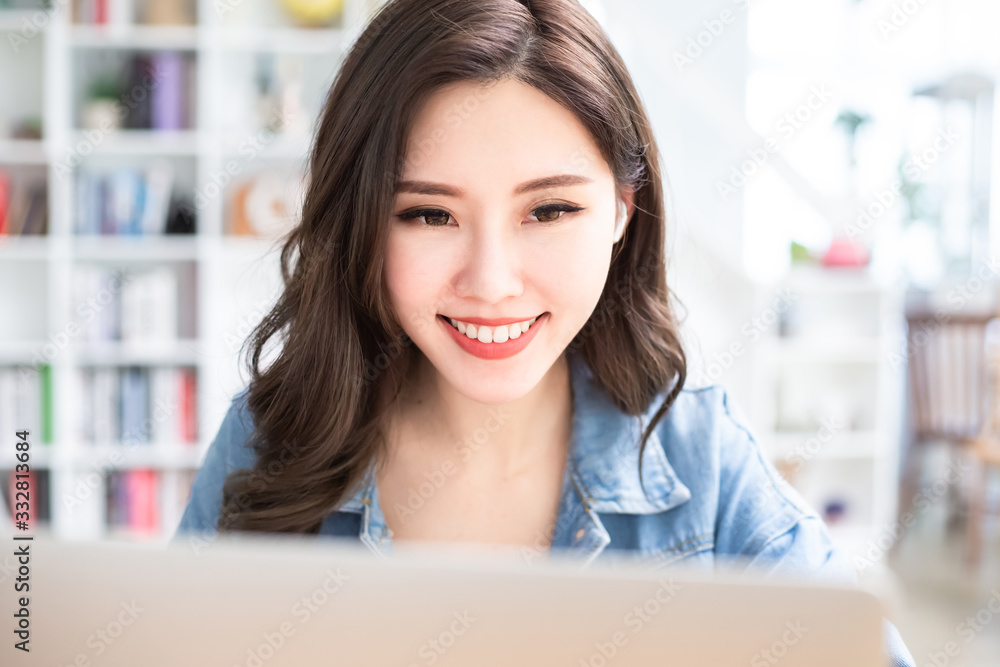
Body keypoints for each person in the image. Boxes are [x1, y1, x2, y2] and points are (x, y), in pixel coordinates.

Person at [175, 1, 915, 664]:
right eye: (428, 214)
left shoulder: (703, 462)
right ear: (361, 225)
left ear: (625, 210)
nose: (491, 281)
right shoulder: (265, 442)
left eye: (550, 210)